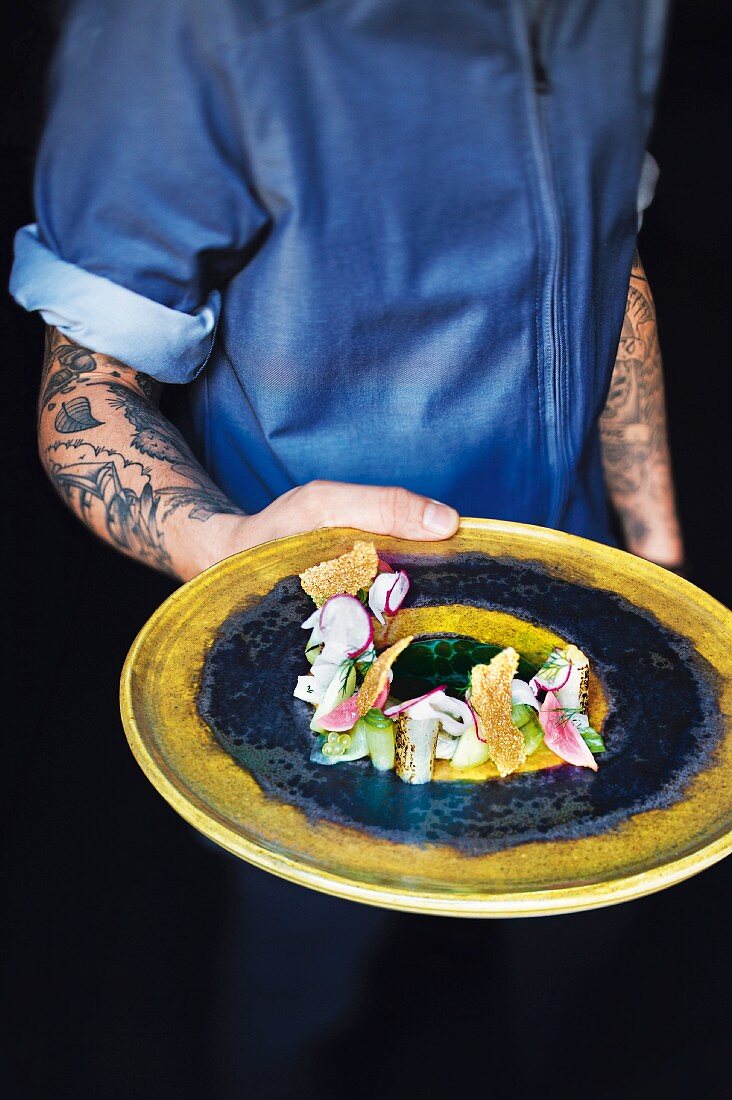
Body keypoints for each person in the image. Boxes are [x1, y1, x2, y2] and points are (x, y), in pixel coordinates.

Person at [10, 0, 684, 1093]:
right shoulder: (176, 25)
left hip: (573, 578)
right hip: (323, 621)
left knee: (585, 920)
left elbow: (620, 265)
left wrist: (651, 535)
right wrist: (226, 541)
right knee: (301, 955)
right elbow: (86, 392)